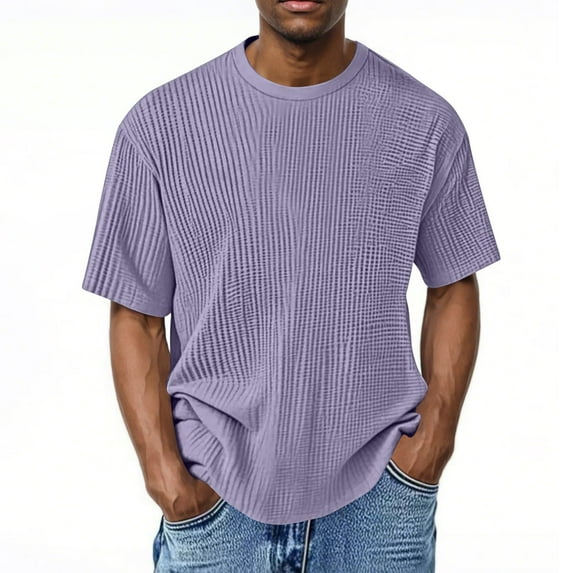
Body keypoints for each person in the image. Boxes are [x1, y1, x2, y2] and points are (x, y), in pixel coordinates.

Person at [81, 0, 501, 571]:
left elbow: (453, 284)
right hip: (215, 509)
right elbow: (136, 314)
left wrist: (431, 449)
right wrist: (168, 481)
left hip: (380, 511)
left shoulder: (424, 122)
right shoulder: (160, 125)